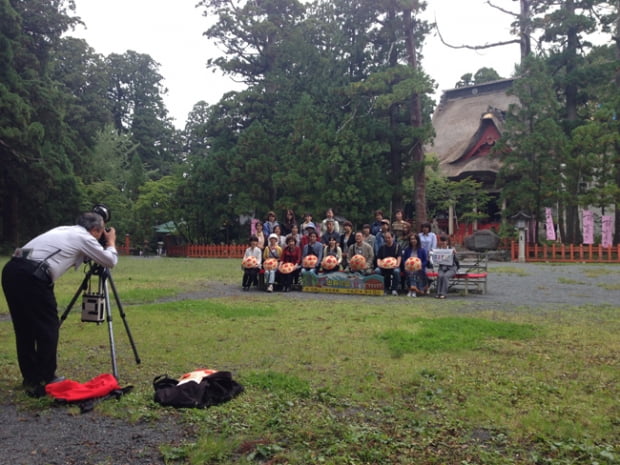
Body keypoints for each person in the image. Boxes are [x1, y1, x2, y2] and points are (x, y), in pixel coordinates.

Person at [2, 211, 118, 397]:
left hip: (12, 270)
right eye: (101, 232)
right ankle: (47, 377)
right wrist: (111, 242)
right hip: (34, 276)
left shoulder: (65, 230)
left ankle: (31, 378)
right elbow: (110, 260)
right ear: (95, 230)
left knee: (24, 328)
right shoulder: (84, 237)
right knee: (48, 327)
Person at [431, 235, 459, 299]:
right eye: (442, 241)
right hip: (442, 268)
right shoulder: (438, 250)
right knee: (440, 276)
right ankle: (438, 293)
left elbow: (456, 260)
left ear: (447, 242)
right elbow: (435, 259)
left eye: (445, 241)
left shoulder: (452, 249)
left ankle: (443, 293)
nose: (443, 242)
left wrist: (455, 253)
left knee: (445, 276)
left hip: (452, 268)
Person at [401, 233, 428, 297]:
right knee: (411, 272)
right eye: (411, 239)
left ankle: (412, 290)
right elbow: (404, 259)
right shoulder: (407, 249)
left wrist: (421, 266)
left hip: (419, 268)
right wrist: (405, 265)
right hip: (409, 268)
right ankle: (413, 290)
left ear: (417, 240)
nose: (413, 240)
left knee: (414, 272)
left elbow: (425, 261)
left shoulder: (422, 250)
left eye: (414, 239)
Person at [375, 231, 402, 296]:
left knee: (396, 271)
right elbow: (379, 258)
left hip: (394, 266)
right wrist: (379, 264)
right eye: (386, 238)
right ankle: (384, 288)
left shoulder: (397, 247)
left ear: (392, 238)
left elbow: (399, 257)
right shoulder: (382, 247)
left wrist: (397, 265)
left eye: (389, 238)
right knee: (377, 270)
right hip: (384, 267)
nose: (387, 239)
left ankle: (394, 289)